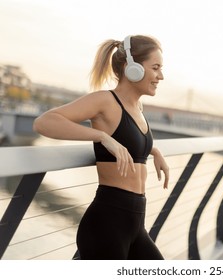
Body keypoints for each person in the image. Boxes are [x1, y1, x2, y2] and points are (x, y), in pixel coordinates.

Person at [33, 35, 169, 260]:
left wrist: (152, 150)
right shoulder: (105, 101)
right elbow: (44, 122)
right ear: (131, 68)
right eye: (155, 68)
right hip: (107, 224)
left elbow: (128, 139)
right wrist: (101, 136)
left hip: (135, 226)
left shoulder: (137, 107)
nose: (160, 76)